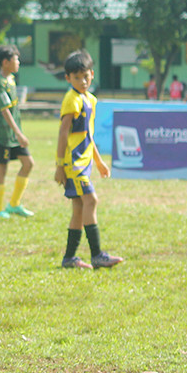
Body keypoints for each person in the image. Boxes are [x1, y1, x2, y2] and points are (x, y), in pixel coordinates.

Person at [55, 49, 123, 270]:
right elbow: (63, 133)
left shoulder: (90, 100)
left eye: (85, 76)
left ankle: (69, 259)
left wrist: (100, 161)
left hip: (85, 164)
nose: (82, 81)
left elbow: (88, 136)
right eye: (76, 77)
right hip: (73, 165)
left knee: (78, 207)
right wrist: (59, 165)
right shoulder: (71, 100)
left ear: (92, 74)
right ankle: (97, 255)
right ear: (68, 78)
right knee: (91, 201)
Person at [0, 44, 34, 219]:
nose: (19, 62)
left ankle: (14, 204)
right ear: (5, 62)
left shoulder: (11, 80)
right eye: (16, 59)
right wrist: (19, 133)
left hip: (13, 134)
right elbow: (5, 111)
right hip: (1, 134)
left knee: (28, 163)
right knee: (2, 168)